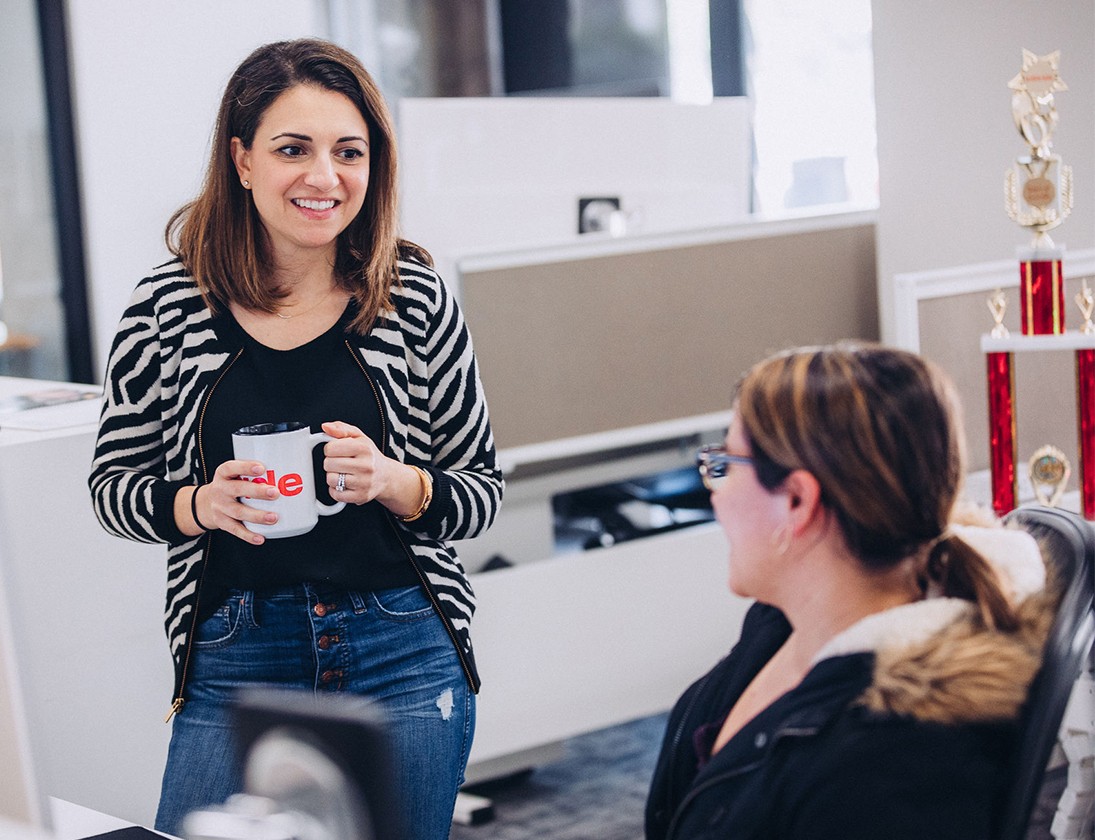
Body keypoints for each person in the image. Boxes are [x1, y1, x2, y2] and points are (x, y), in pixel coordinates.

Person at [88, 38, 503, 839]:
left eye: (349, 151)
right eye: (292, 149)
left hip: (402, 645)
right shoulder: (167, 307)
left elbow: (479, 489)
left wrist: (396, 481)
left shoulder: (413, 294)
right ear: (242, 161)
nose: (325, 176)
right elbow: (112, 489)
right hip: (237, 651)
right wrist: (201, 504)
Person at [645, 342, 1052, 840]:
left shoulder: (891, 767)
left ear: (797, 500)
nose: (716, 488)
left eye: (727, 464)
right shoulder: (785, 624)